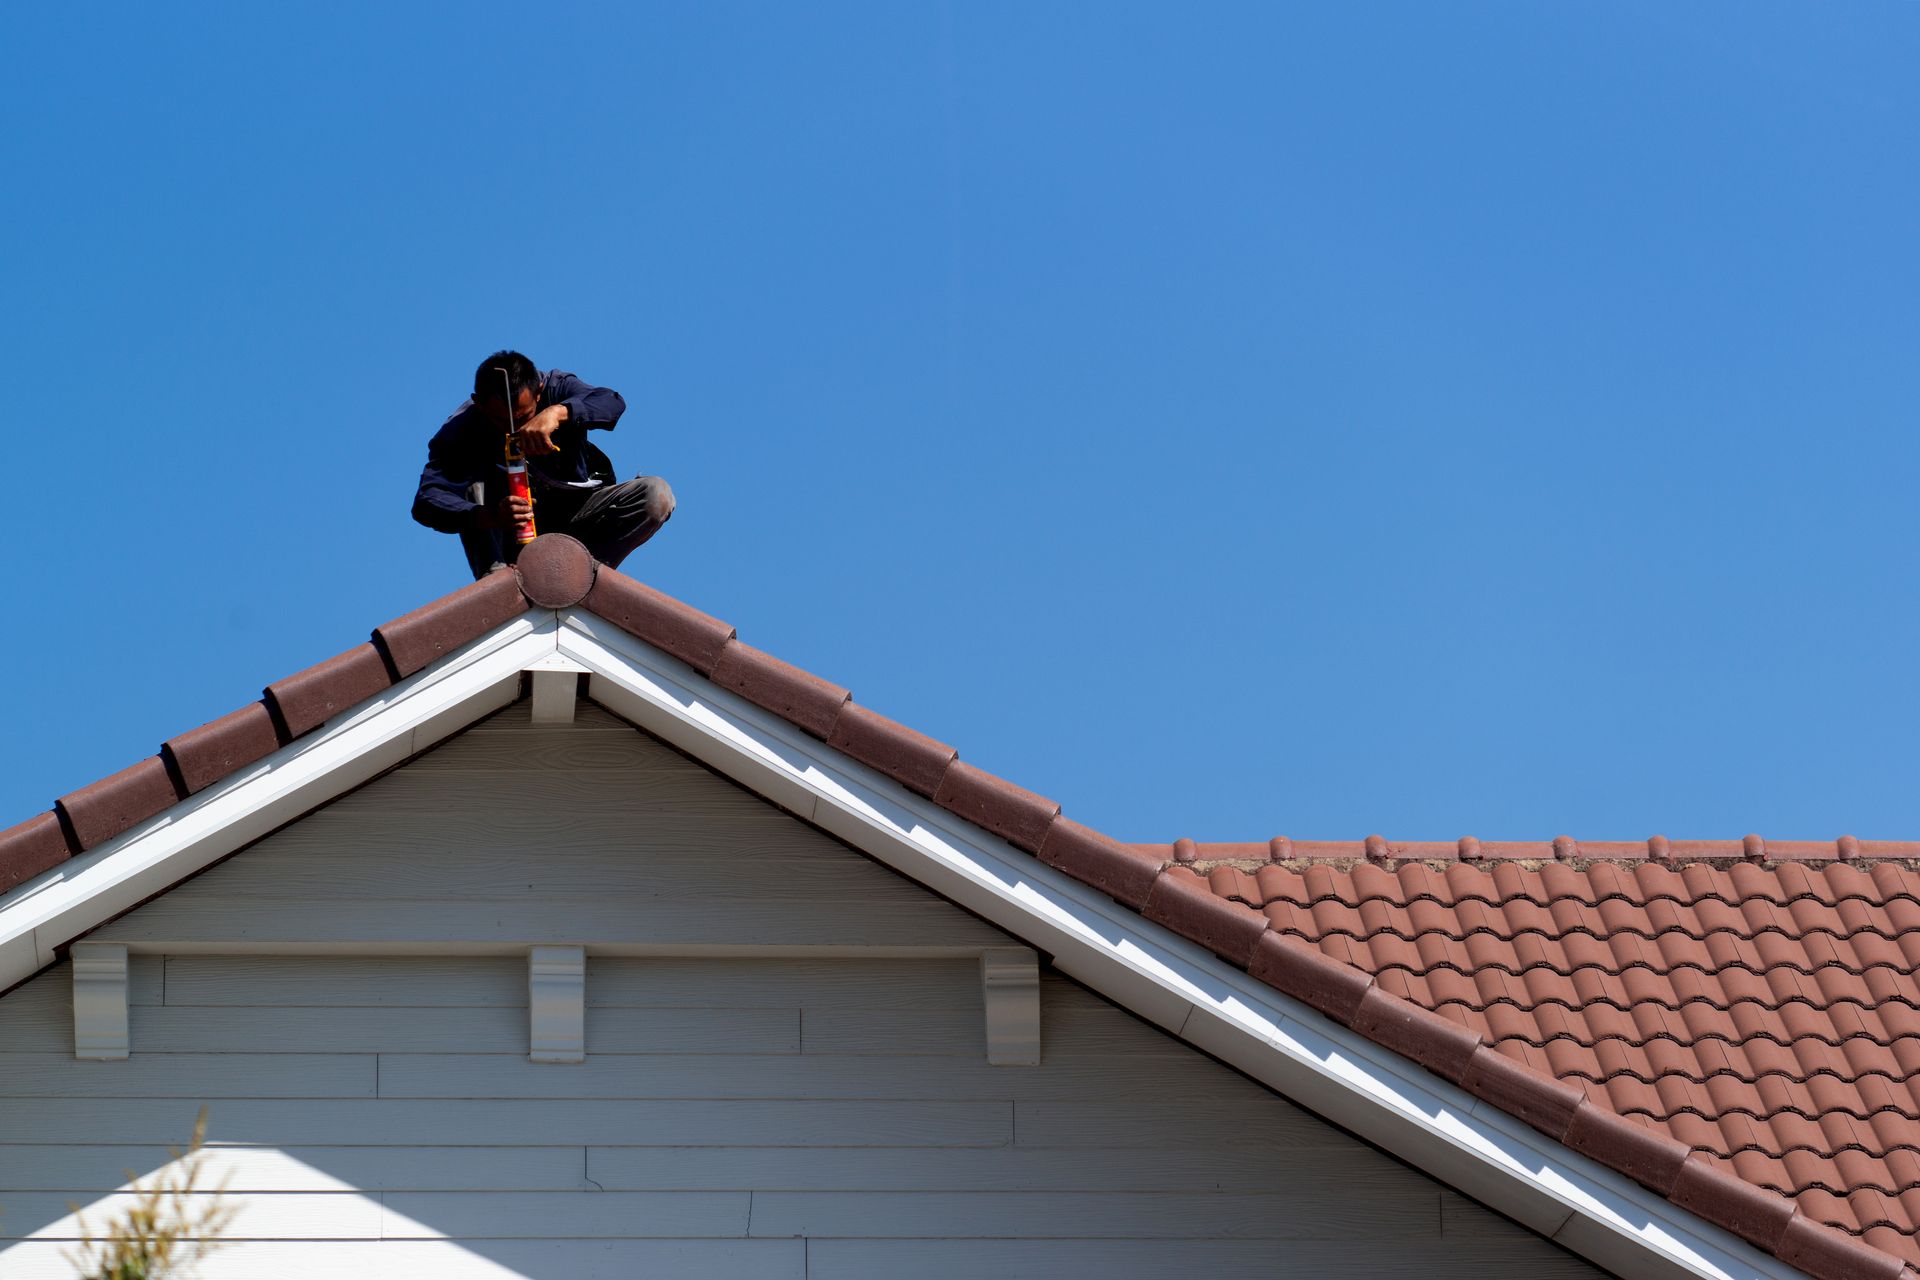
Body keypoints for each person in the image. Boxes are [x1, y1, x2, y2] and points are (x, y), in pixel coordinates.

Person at [412, 351, 675, 579]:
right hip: (509, 537)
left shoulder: (557, 387)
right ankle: (499, 586)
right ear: (479, 403)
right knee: (472, 490)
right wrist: (491, 515)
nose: (514, 429)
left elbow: (611, 402)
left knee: (655, 495)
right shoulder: (461, 429)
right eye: (500, 421)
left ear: (539, 392)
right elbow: (428, 500)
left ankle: (581, 577)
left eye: (523, 417)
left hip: (579, 516)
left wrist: (559, 413)